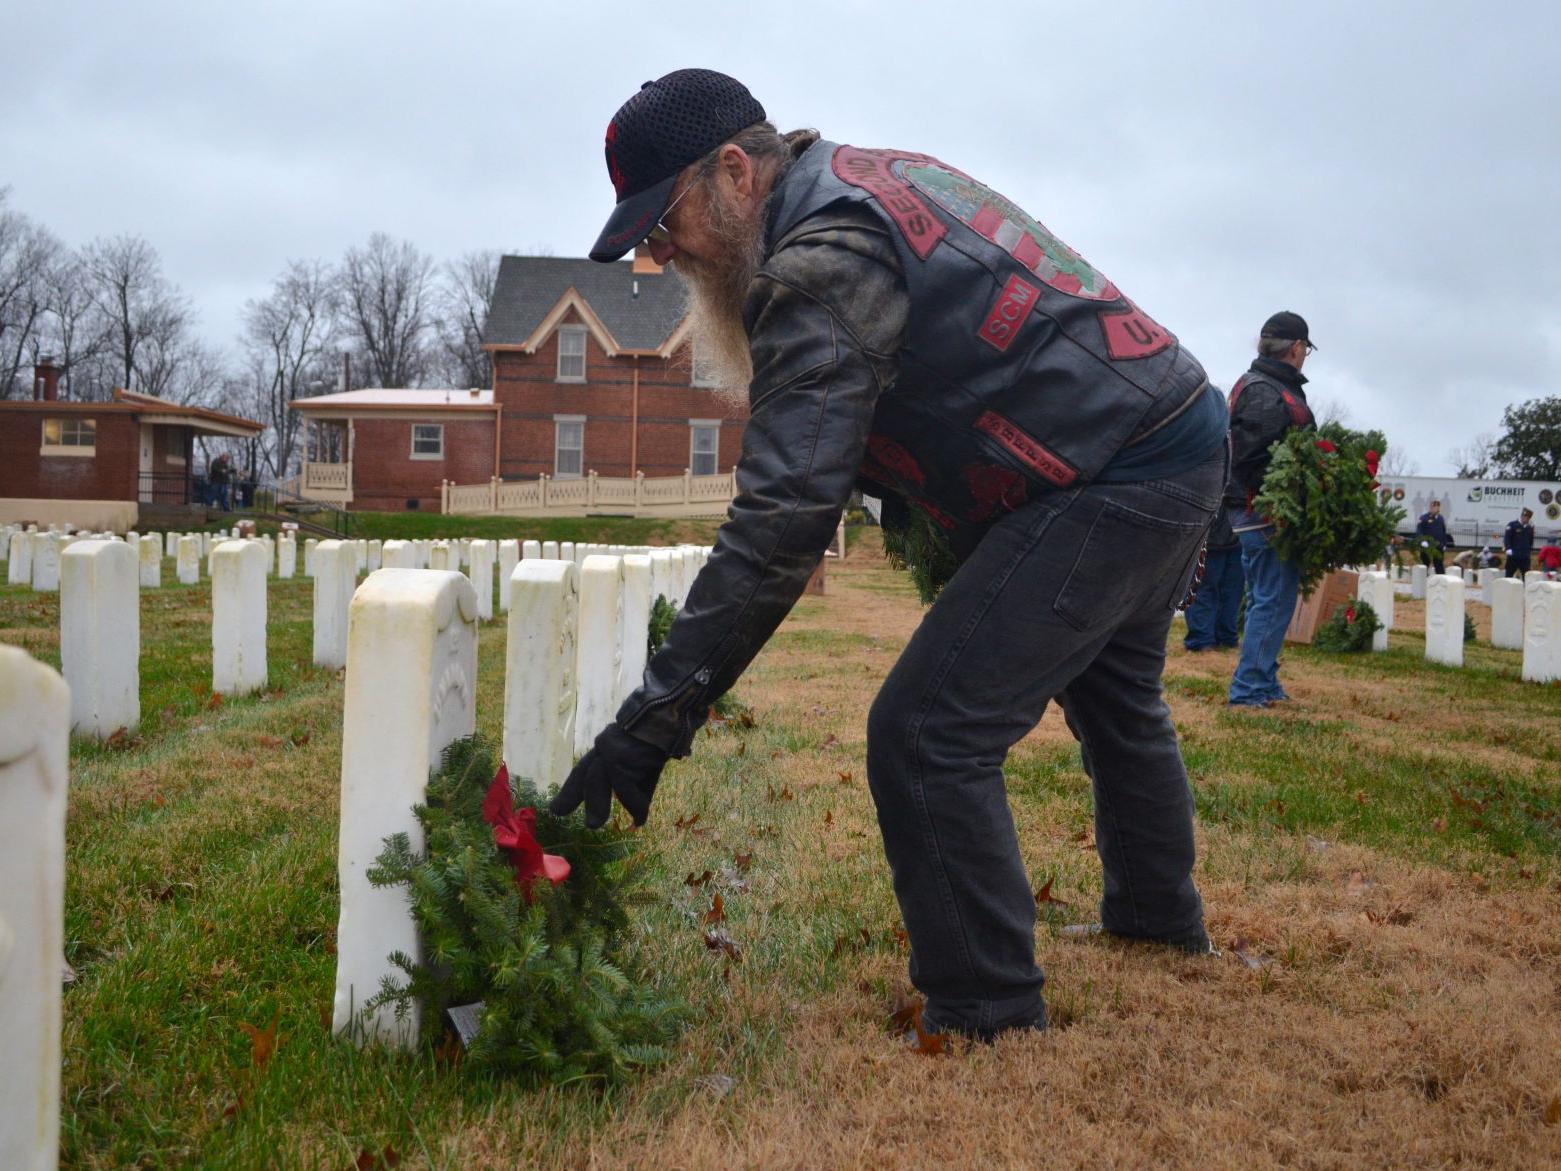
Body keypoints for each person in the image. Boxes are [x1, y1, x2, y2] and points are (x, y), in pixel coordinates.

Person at [551, 69, 1229, 1042]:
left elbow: (784, 514)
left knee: (925, 730)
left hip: (1110, 467)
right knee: (1117, 698)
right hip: (1157, 431)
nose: (662, 254)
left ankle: (987, 1008)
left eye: (665, 224)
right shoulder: (853, 181)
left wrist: (653, 720)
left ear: (735, 172)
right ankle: (1158, 924)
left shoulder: (818, 261)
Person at [1224, 311, 1316, 708]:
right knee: (1272, 598)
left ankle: (1263, 680)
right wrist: (1276, 501)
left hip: (1261, 509)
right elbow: (1250, 456)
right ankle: (1249, 690)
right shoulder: (1266, 391)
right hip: (1263, 511)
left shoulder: (1270, 385)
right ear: (1296, 348)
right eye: (1306, 349)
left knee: (1270, 596)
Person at [1182, 500, 1243, 651]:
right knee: (1228, 590)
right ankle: (1219, 638)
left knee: (1206, 588)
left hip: (1215, 530)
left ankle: (1204, 639)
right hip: (1236, 528)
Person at [1415, 499, 1448, 574]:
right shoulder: (1424, 518)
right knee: (1425, 564)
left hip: (1438, 546)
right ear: (1430, 508)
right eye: (1434, 507)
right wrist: (1422, 541)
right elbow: (1419, 531)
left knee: (1439, 564)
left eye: (1437, 507)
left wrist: (1444, 544)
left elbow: (1443, 532)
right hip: (1427, 545)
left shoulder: (1440, 518)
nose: (1435, 509)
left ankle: (1440, 580)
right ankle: (1422, 581)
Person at [1503, 508, 1535, 578]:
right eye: (1525, 517)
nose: (1526, 519)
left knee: (1526, 576)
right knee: (1509, 575)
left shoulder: (1529, 528)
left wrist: (1529, 551)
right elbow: (1507, 537)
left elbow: (1530, 541)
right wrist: (1508, 548)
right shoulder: (1512, 525)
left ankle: (1525, 589)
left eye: (1528, 518)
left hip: (1525, 557)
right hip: (1513, 555)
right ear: (1522, 516)